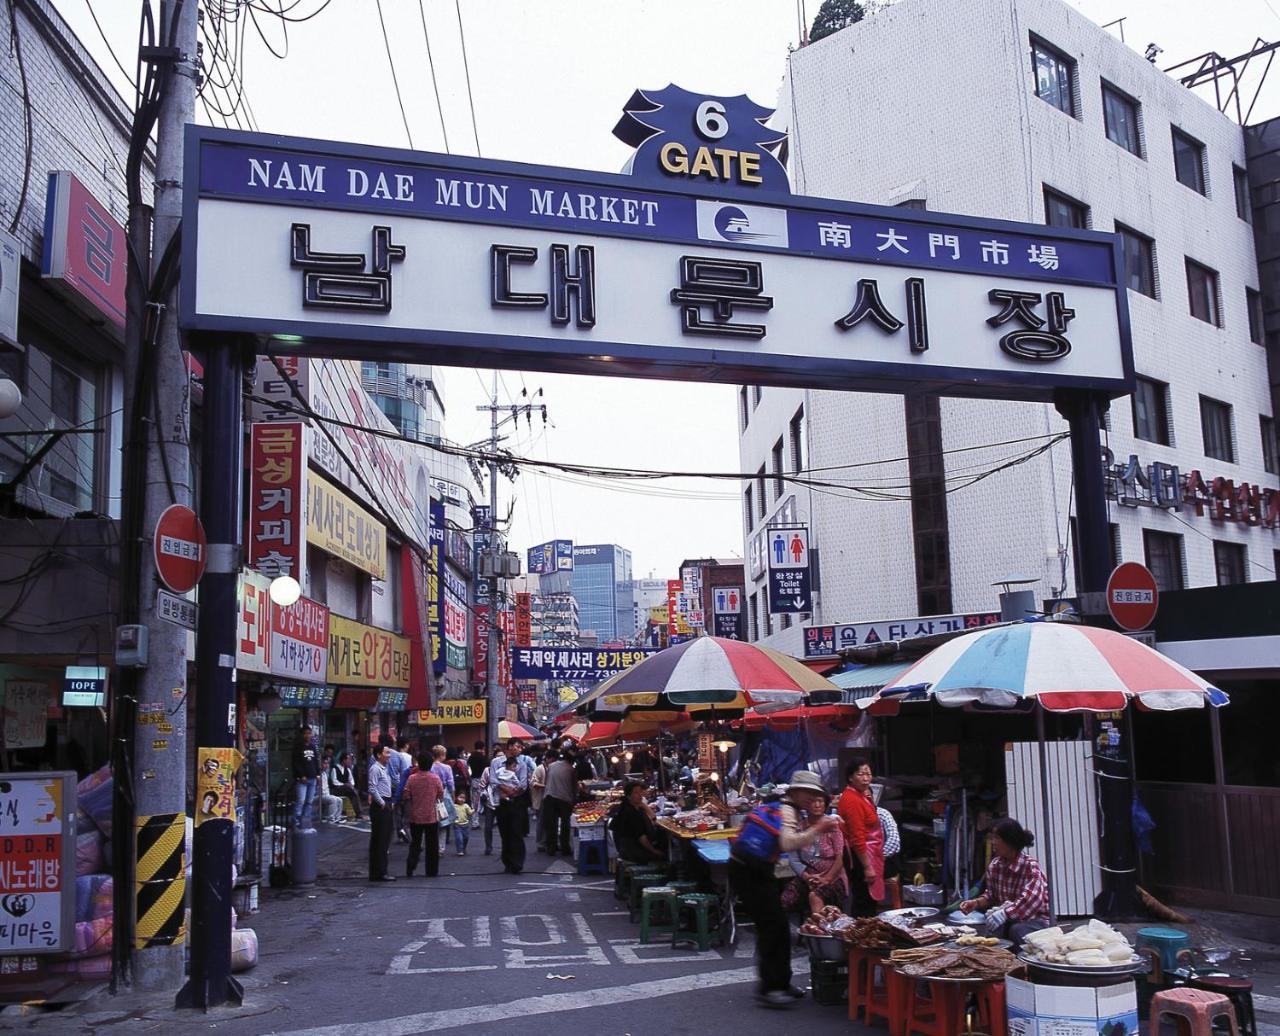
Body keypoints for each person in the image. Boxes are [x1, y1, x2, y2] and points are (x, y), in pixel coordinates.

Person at [730, 771, 841, 1009]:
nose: (812, 798)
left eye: (816, 794)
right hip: (750, 871)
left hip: (751, 868)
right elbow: (788, 843)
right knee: (772, 927)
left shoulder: (780, 806)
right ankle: (770, 988)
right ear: (796, 792)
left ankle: (780, 982)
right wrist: (820, 827)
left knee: (777, 925)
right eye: (809, 793)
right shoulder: (787, 811)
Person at [959, 818, 1050, 950]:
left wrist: (1004, 914)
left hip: (1037, 921)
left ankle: (1024, 965)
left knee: (1016, 930)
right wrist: (976, 903)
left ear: (1010, 841)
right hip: (1011, 918)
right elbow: (991, 896)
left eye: (997, 838)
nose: (993, 843)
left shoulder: (1030, 866)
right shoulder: (995, 866)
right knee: (992, 931)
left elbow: (1031, 901)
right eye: (992, 838)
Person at [781, 790, 848, 916]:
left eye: (820, 801)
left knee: (815, 896)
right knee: (784, 901)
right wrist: (807, 877)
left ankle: (818, 931)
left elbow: (840, 859)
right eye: (813, 801)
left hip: (833, 878)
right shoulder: (799, 827)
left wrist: (826, 879)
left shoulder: (832, 825)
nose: (817, 805)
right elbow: (793, 858)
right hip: (806, 878)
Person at [837, 756, 884, 916]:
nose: (866, 779)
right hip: (861, 856)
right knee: (864, 901)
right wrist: (867, 866)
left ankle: (867, 936)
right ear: (850, 777)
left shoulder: (862, 795)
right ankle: (862, 937)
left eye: (868, 774)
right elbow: (857, 837)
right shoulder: (851, 800)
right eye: (860, 774)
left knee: (867, 900)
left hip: (871, 852)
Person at [401, 752, 444, 878]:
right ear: (430, 765)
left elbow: (406, 795)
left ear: (419, 764)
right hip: (431, 816)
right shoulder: (435, 778)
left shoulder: (412, 778)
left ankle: (410, 868)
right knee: (432, 845)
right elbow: (441, 794)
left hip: (415, 816)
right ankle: (432, 871)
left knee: (415, 843)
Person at [609, 781, 666, 864]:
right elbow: (642, 838)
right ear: (629, 796)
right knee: (664, 855)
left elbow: (653, 817)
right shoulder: (630, 812)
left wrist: (643, 805)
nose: (640, 795)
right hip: (632, 851)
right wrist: (655, 851)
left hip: (630, 848)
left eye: (640, 792)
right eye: (636, 793)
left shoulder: (634, 807)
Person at [494, 749, 530, 874]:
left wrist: (513, 791)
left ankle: (517, 863)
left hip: (516, 801)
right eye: (517, 746)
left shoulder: (523, 765)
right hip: (502, 803)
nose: (519, 749)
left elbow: (523, 784)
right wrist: (504, 789)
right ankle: (507, 861)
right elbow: (493, 780)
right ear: (509, 747)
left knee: (516, 832)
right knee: (505, 833)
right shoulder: (496, 763)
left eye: (520, 747)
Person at [367, 744, 396, 882]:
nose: (389, 755)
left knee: (384, 838)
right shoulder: (375, 768)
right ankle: (380, 872)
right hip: (380, 806)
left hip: (386, 802)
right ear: (379, 755)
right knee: (380, 840)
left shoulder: (384, 768)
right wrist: (382, 803)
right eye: (387, 753)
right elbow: (372, 788)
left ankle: (379, 871)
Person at [542, 749, 578, 856]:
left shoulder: (552, 766)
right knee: (565, 824)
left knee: (551, 824)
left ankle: (551, 847)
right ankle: (564, 847)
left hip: (549, 796)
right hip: (564, 798)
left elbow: (547, 780)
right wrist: (574, 799)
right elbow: (574, 788)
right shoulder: (572, 770)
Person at [291, 727, 319, 828]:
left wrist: (318, 774)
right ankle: (296, 820)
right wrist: (301, 775)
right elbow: (295, 763)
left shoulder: (312, 747)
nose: (308, 735)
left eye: (309, 733)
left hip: (312, 777)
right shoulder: (298, 747)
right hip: (302, 779)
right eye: (305, 733)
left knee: (309, 801)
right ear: (302, 735)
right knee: (301, 800)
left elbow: (315, 761)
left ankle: (306, 819)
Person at [385, 736, 411, 844]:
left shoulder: (384, 755)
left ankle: (399, 831)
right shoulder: (405, 756)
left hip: (387, 786)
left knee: (395, 811)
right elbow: (405, 773)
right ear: (405, 745)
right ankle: (403, 830)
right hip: (400, 785)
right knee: (404, 810)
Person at [431, 745, 457, 854]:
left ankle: (433, 845)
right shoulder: (447, 768)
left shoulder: (430, 767)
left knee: (432, 822)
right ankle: (441, 848)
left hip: (431, 794)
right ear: (442, 755)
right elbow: (451, 783)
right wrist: (453, 795)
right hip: (444, 794)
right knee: (443, 821)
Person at [329, 751, 364, 820]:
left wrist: (351, 785)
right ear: (344, 760)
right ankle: (359, 813)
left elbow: (351, 780)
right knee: (353, 791)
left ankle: (357, 812)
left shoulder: (347, 769)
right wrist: (344, 784)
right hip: (338, 789)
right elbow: (334, 781)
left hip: (347, 789)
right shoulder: (335, 768)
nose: (349, 761)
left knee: (354, 792)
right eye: (348, 759)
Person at [531, 752, 550, 851]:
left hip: (549, 798)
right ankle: (541, 843)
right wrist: (546, 787)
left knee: (547, 821)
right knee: (541, 822)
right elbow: (533, 783)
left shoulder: (551, 768)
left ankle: (546, 841)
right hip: (541, 798)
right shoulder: (540, 768)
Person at [317, 757, 345, 824]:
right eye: (325, 763)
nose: (327, 765)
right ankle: (330, 818)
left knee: (339, 800)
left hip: (325, 795)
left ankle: (337, 818)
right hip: (318, 796)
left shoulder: (324, 773)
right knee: (333, 799)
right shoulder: (317, 774)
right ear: (320, 764)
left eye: (327, 763)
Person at [468, 740, 489, 813]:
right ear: (483, 747)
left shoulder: (471, 757)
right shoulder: (484, 758)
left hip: (474, 779)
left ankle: (474, 822)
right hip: (483, 780)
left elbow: (468, 768)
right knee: (486, 798)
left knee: (474, 801)